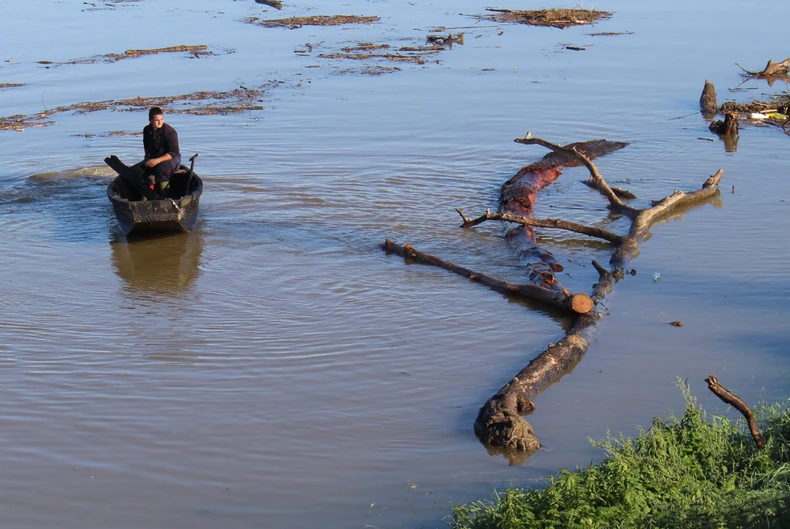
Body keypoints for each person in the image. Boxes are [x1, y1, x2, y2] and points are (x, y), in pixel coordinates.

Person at [139, 106, 181, 197]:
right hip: (155, 156)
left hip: (172, 158)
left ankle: (165, 198)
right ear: (150, 120)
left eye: (162, 119)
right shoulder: (147, 130)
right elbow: (147, 148)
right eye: (157, 120)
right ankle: (145, 199)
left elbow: (173, 152)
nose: (160, 122)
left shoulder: (170, 132)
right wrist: (147, 160)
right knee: (142, 170)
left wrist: (157, 161)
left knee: (161, 169)